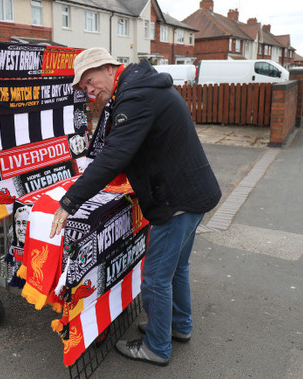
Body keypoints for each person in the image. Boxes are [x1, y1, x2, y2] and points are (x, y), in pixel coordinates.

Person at [49, 48, 221, 366]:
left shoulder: (134, 97)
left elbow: (115, 154)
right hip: (192, 193)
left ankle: (157, 346)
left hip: (177, 201)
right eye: (83, 88)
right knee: (176, 269)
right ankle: (177, 327)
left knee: (155, 278)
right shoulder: (138, 88)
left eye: (88, 81)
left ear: (107, 68)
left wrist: (70, 201)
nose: (88, 91)